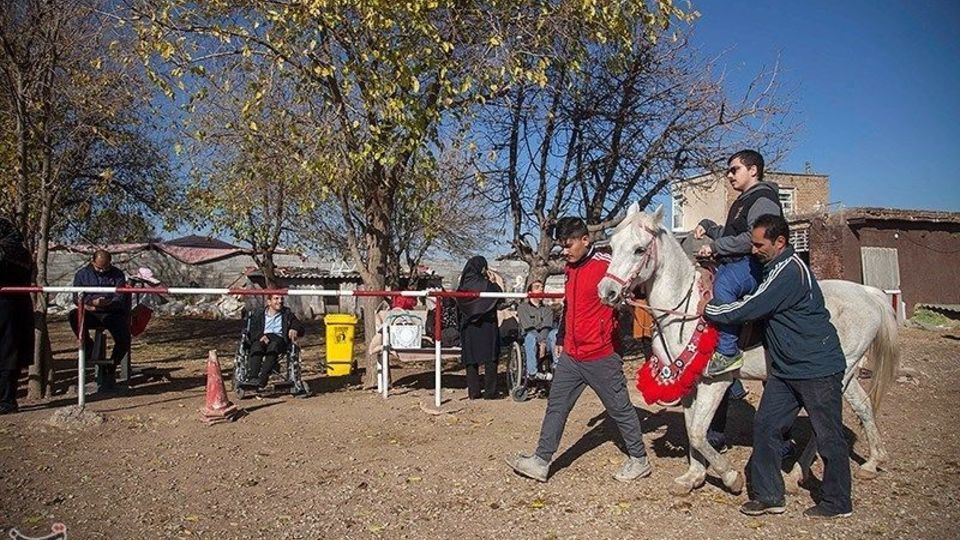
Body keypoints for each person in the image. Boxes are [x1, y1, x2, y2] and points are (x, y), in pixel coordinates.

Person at [703, 214, 851, 519]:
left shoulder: (789, 272)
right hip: (785, 370)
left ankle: (838, 502)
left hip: (817, 368)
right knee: (766, 426)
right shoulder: (772, 268)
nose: (753, 250)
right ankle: (770, 496)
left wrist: (711, 309)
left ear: (780, 242)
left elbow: (750, 308)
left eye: (759, 245)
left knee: (828, 436)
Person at [509, 217, 651, 483]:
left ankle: (639, 459)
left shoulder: (607, 265)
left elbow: (635, 279)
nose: (564, 250)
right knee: (556, 406)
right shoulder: (570, 269)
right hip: (572, 356)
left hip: (602, 355)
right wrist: (562, 335)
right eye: (562, 245)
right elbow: (569, 307)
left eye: (569, 244)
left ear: (586, 240)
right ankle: (541, 460)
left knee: (619, 408)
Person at [694, 149, 782, 450]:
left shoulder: (762, 200)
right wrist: (709, 226)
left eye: (734, 170)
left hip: (753, 265)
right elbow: (731, 234)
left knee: (726, 285)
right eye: (728, 171)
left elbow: (751, 240)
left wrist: (715, 247)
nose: (729, 175)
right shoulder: (742, 202)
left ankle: (728, 352)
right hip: (737, 260)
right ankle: (718, 421)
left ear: (753, 170)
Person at [69, 250, 130, 393]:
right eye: (99, 268)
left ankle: (112, 367)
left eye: (106, 267)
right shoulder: (82, 274)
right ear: (92, 262)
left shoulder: (118, 274)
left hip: (111, 312)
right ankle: (88, 345)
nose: (102, 271)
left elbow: (120, 297)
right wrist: (91, 303)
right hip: (91, 311)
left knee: (124, 340)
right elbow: (76, 297)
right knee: (73, 316)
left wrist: (107, 303)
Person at [455, 256, 502, 400]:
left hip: (469, 327)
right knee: (490, 359)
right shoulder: (487, 285)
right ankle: (490, 392)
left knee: (471, 359)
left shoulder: (461, 288)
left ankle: (473, 392)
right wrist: (493, 282)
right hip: (487, 325)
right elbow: (500, 297)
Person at [0, 218, 34, 414]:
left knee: (6, 354)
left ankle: (6, 401)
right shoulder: (24, 254)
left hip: (6, 306)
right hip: (19, 307)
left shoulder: (4, 252)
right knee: (10, 355)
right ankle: (8, 399)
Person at [241, 294, 304, 391]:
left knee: (273, 346)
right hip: (262, 339)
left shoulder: (287, 313)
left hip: (279, 341)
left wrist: (294, 328)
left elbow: (298, 325)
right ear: (269, 302)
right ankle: (252, 378)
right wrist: (260, 336)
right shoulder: (259, 314)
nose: (280, 301)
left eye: (281, 299)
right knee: (256, 346)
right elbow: (252, 330)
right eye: (276, 299)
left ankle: (262, 379)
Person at [516, 280, 557, 380]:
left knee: (555, 333)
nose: (541, 289)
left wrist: (543, 342)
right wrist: (540, 341)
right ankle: (532, 372)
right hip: (530, 338)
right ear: (530, 292)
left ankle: (557, 366)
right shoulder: (523, 308)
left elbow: (547, 326)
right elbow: (528, 327)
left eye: (542, 287)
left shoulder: (547, 309)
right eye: (537, 287)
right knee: (531, 337)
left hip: (545, 338)